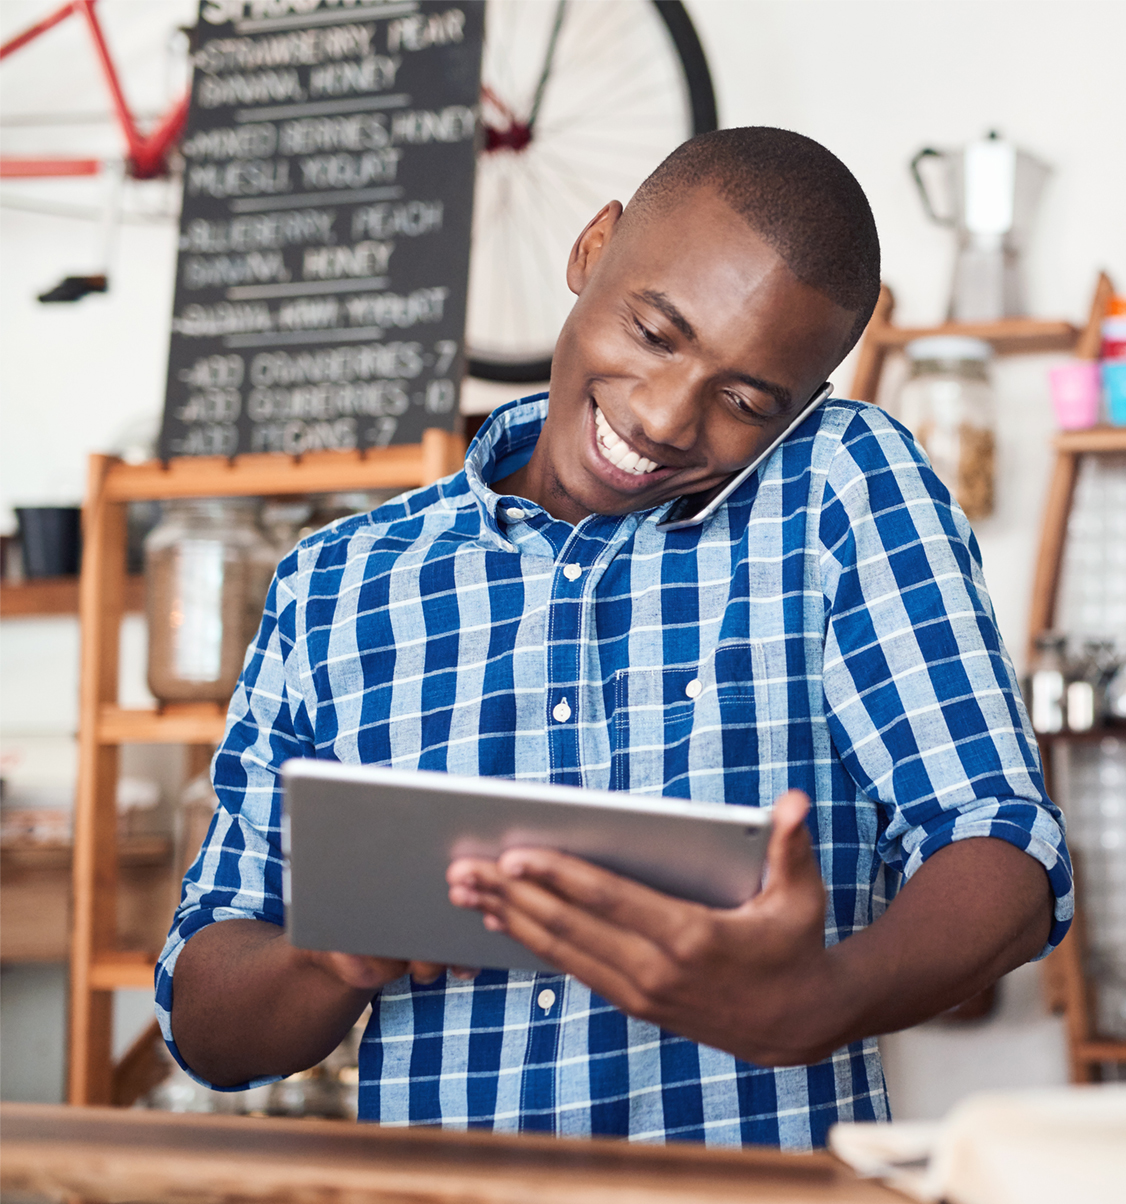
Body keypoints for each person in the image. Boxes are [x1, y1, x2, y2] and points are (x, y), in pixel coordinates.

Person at [156, 127, 1073, 1150]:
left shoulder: (837, 485)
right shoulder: (339, 580)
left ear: (800, 407)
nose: (665, 417)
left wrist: (824, 995)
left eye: (743, 401)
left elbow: (1001, 841)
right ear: (594, 249)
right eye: (654, 331)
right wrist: (330, 959)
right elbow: (204, 1012)